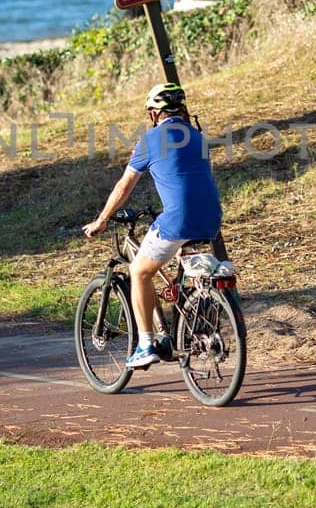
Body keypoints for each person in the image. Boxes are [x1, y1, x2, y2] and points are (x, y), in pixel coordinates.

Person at [83, 82, 223, 369]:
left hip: (178, 217)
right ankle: (189, 321)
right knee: (184, 264)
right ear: (182, 109)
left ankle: (146, 344)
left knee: (139, 271)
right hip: (211, 217)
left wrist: (102, 219)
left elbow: (124, 186)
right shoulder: (198, 137)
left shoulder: (150, 140)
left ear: (153, 114)